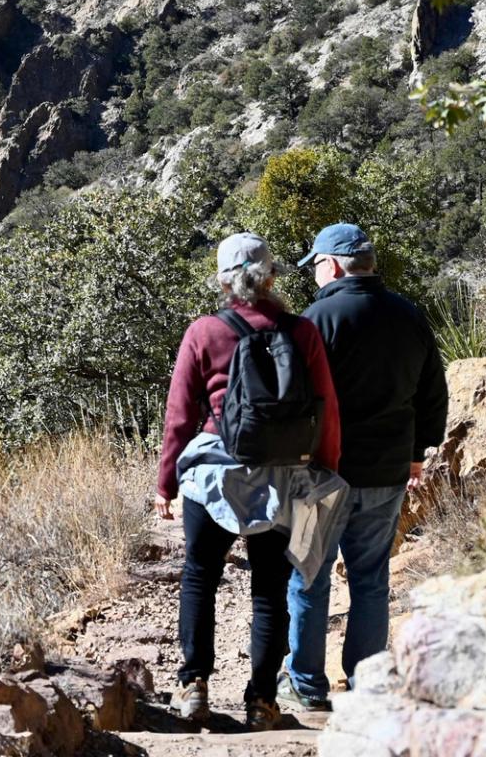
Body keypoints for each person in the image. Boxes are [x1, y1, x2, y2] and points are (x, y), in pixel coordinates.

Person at [156, 232, 342, 732]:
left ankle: (193, 685)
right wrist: (323, 469)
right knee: (269, 587)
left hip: (214, 473)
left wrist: (167, 482)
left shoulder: (204, 332)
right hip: (283, 477)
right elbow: (324, 408)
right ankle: (261, 700)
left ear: (222, 281)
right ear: (273, 276)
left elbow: (179, 414)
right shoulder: (301, 332)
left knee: (199, 576)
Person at [280, 223, 449, 712]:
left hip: (322, 474)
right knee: (371, 578)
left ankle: (306, 685)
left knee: (308, 576)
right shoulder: (408, 315)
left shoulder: (318, 319)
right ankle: (367, 685)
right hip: (389, 469)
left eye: (315, 264)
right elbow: (432, 391)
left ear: (332, 265)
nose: (314, 273)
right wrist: (419, 451)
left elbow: (293, 397)